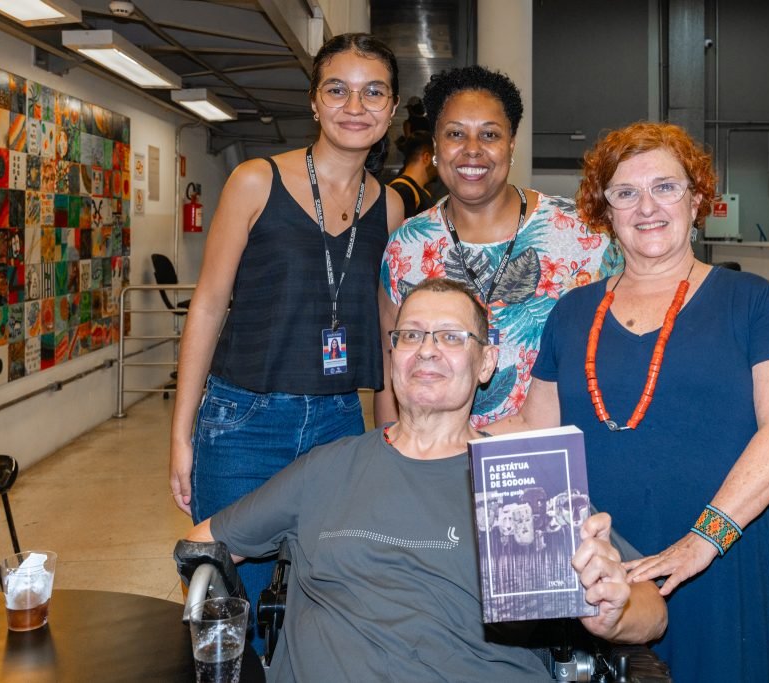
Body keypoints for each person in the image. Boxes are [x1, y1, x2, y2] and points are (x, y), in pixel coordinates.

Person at [184, 278, 667, 682]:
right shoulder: (326, 468)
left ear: (487, 362)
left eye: (452, 337)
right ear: (392, 357)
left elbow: (654, 610)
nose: (428, 350)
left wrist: (615, 613)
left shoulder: (526, 481)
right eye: (410, 335)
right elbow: (201, 547)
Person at [491, 122, 769, 682]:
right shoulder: (571, 312)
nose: (647, 207)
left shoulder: (752, 301)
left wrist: (701, 542)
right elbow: (534, 430)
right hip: (602, 564)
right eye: (625, 193)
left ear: (697, 199)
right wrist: (431, 438)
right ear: (604, 209)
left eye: (666, 187)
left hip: (718, 557)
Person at [168, 33, 404, 650]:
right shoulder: (255, 181)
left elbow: (386, 329)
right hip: (244, 418)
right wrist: (180, 432)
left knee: (325, 595)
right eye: (338, 89)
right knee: (227, 600)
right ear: (315, 102)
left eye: (373, 91)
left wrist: (390, 431)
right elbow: (209, 306)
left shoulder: (392, 206)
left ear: (392, 109)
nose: (356, 105)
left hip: (336, 421)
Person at [377, 65, 625, 428]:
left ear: (511, 145)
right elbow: (389, 370)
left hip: (559, 455)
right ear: (435, 146)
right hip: (440, 463)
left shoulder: (583, 235)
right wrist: (392, 462)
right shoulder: (407, 248)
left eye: (489, 134)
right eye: (455, 133)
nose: (472, 150)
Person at [387, 131, 437, 217]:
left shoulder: (422, 191)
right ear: (426, 158)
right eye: (436, 159)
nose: (439, 165)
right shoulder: (402, 190)